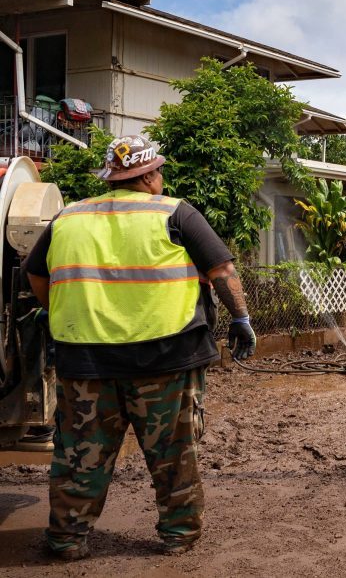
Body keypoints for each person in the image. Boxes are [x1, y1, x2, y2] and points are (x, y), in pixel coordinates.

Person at [25, 134, 257, 560]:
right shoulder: (176, 212)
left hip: (85, 361)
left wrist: (61, 311)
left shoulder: (68, 217)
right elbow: (221, 270)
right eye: (160, 171)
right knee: (173, 455)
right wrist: (240, 319)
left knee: (80, 457)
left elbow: (37, 276)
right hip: (167, 361)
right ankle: (178, 536)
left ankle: (67, 539)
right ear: (149, 176)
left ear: (112, 178)